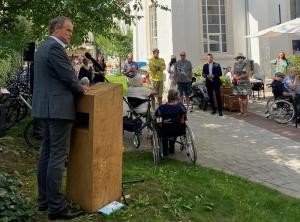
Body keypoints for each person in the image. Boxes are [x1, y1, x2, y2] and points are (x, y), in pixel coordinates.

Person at [32, 16, 88, 220]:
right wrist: (81, 88)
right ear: (56, 29)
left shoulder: (42, 48)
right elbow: (68, 77)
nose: (70, 35)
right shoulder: (54, 49)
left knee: (47, 153)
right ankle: (56, 207)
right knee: (57, 156)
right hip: (57, 110)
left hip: (46, 108)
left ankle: (44, 201)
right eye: (68, 30)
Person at [155, 89, 186, 156]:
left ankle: (164, 149)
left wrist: (159, 125)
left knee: (162, 130)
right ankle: (172, 146)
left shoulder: (161, 108)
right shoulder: (180, 106)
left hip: (165, 130)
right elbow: (184, 118)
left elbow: (158, 119)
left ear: (168, 96)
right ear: (177, 97)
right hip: (178, 130)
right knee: (175, 126)